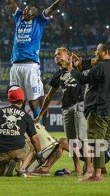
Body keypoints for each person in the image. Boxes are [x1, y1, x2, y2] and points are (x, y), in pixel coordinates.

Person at [0, 0, 78, 119]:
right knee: (17, 100)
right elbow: (10, 1)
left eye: (27, 10)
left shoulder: (39, 21)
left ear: (34, 14)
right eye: (24, 9)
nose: (24, 11)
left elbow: (54, 6)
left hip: (30, 66)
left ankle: (40, 131)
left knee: (32, 102)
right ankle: (20, 130)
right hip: (15, 66)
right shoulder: (18, 17)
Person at [70, 42, 110, 182]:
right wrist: (81, 66)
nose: (95, 53)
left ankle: (97, 175)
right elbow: (96, 69)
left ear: (104, 52)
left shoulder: (99, 67)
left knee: (97, 142)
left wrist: (71, 68)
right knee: (109, 141)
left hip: (99, 110)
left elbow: (81, 79)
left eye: (97, 50)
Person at [34, 47, 93, 176]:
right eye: (55, 55)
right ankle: (77, 169)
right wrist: (41, 113)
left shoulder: (79, 67)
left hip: (79, 105)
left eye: (60, 54)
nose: (57, 57)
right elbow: (49, 96)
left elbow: (97, 61)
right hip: (66, 108)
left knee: (83, 138)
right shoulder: (58, 75)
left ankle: (89, 167)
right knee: (72, 141)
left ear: (69, 56)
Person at [0, 86, 45, 177]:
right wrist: (40, 155)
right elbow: (35, 140)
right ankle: (22, 169)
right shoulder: (26, 116)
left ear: (9, 100)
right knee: (31, 145)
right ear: (22, 100)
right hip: (17, 153)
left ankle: (4, 168)